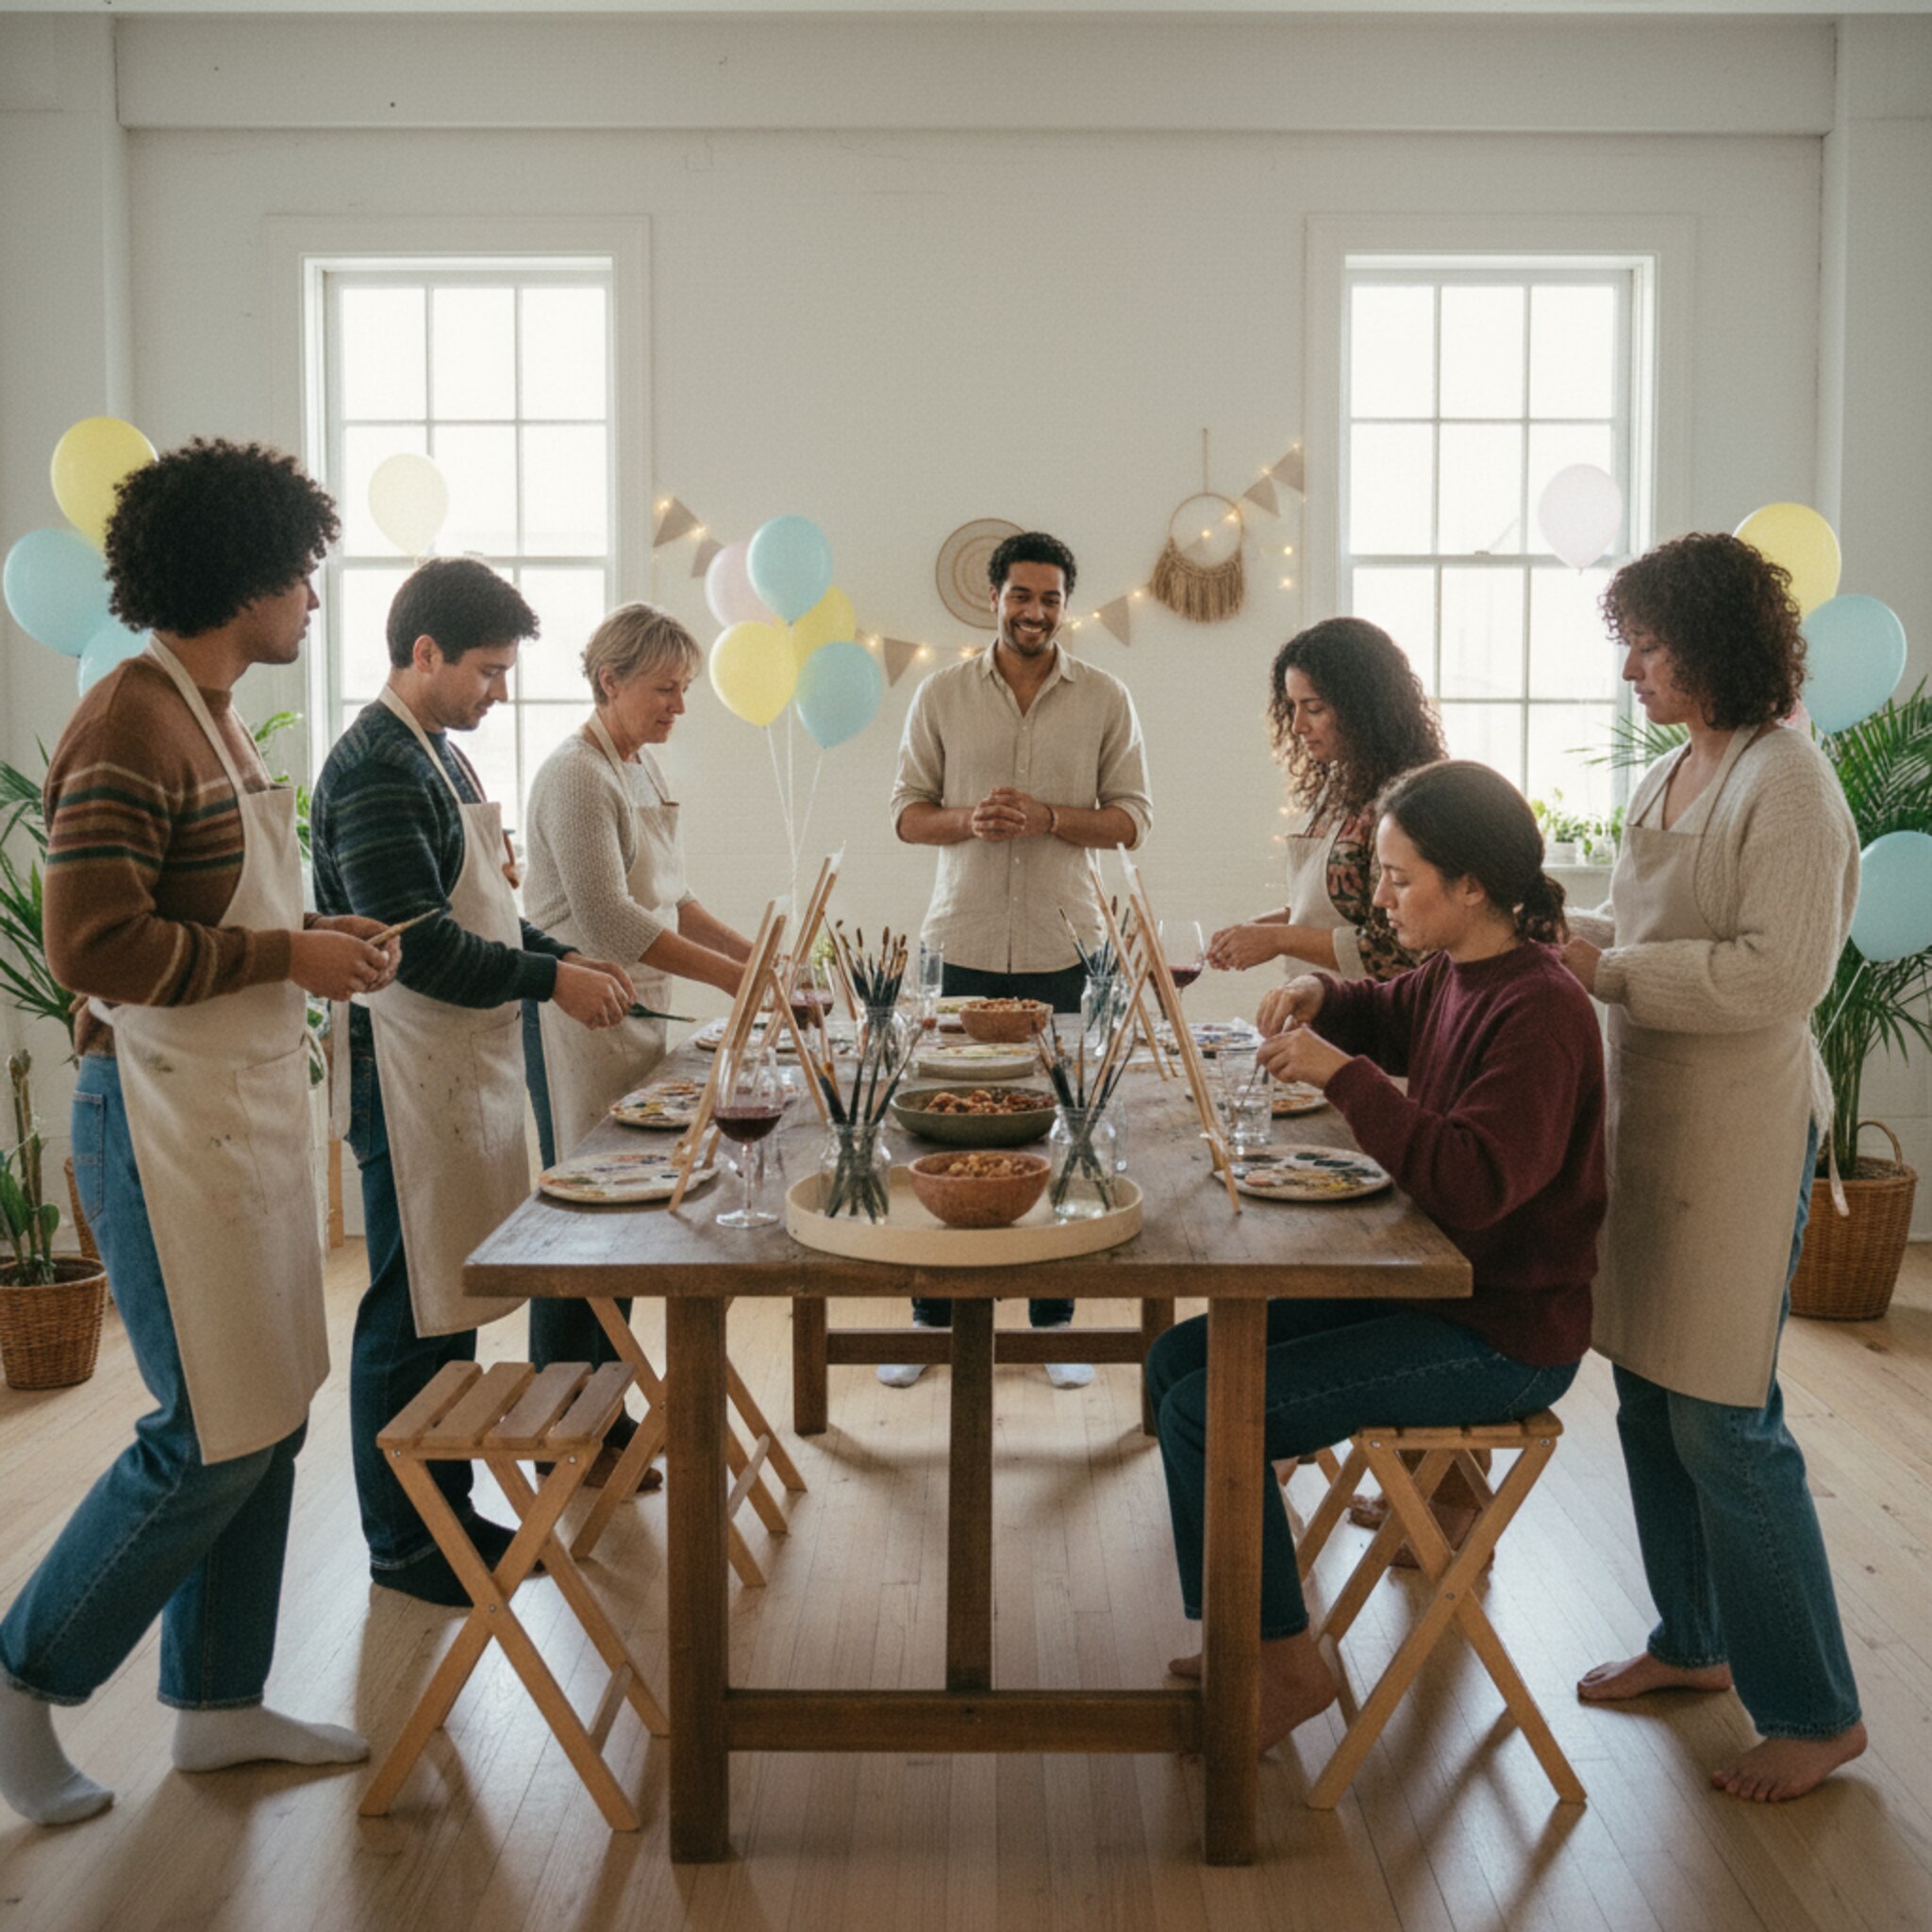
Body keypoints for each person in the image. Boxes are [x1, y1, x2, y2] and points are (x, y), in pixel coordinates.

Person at [0, 440, 390, 1826]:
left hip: (235, 1117)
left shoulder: (215, 714)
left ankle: (218, 1708)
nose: (314, 604)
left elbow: (213, 915)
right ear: (244, 576)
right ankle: (22, 1678)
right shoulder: (130, 720)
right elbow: (93, 944)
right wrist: (287, 954)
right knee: (206, 1436)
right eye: (303, 577)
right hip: (154, 1122)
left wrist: (309, 942)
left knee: (268, 1416)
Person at [1148, 759, 1605, 1756]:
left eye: (1399, 878)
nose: (1381, 896)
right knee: (1174, 1362)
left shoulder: (1541, 1009)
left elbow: (1476, 1180)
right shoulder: (1457, 971)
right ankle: (1245, 1622)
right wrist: (1321, 992)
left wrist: (1343, 1074)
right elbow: (1390, 1008)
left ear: (1471, 885)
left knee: (1204, 1405)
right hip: (1435, 1294)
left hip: (1503, 1330)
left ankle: (1283, 1661)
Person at [1561, 532, 1867, 1802]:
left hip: (1740, 1128)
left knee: (1726, 1417)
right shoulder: (1678, 769)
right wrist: (1545, 931)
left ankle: (1815, 1710)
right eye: (1625, 638)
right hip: (1655, 1116)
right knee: (1645, 1391)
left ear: (1716, 642)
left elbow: (1774, 977)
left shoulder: (1788, 783)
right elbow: (1641, 932)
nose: (1630, 664)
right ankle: (1693, 1644)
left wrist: (1609, 970)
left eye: (1650, 639)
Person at [311, 558, 634, 1606]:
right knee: (409, 1313)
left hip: (462, 1063)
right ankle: (403, 1543)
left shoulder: (438, 757)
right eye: (487, 671)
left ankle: (446, 1512)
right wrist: (553, 978)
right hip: (403, 1070)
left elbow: (488, 919)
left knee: (448, 1307)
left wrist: (563, 963)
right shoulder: (373, 769)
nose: (499, 691)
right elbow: (418, 946)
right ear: (422, 653)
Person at [885, 530, 1154, 1389]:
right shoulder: (940, 693)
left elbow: (1131, 820)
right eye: (1020, 596)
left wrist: (1047, 818)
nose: (1034, 612)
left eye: (1050, 599)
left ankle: (1053, 1322)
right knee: (940, 1125)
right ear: (993, 598)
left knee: (1064, 1128)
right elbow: (905, 815)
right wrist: (969, 820)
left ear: (1065, 607)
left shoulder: (1106, 697)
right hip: (959, 940)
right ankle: (932, 1319)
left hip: (1064, 944)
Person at [520, 602, 752, 1475]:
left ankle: (601, 1419)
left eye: (684, 690)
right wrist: (739, 980)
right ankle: (559, 1437)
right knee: (582, 1227)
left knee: (620, 1227)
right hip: (579, 1021)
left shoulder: (639, 768)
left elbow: (675, 900)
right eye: (664, 690)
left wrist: (763, 953)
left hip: (637, 1014)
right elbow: (612, 922)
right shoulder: (576, 776)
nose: (678, 708)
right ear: (609, 682)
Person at [1206, 616, 1444, 982]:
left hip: (1375, 1018)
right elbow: (1334, 912)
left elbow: (1394, 949)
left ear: (1363, 709)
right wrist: (1258, 930)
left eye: (1314, 708)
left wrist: (1278, 939)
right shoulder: (1339, 783)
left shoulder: (1405, 803)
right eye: (1293, 707)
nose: (1297, 726)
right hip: (1320, 1007)